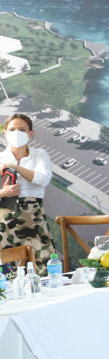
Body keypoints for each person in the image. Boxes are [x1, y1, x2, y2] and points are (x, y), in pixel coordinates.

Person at [0, 113, 56, 267]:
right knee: (7, 272)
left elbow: (43, 179)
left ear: (31, 133)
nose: (17, 133)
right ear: (5, 133)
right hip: (4, 222)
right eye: (12, 129)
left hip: (34, 221)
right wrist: (4, 193)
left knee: (45, 267)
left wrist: (14, 167)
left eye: (22, 129)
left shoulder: (39, 155)